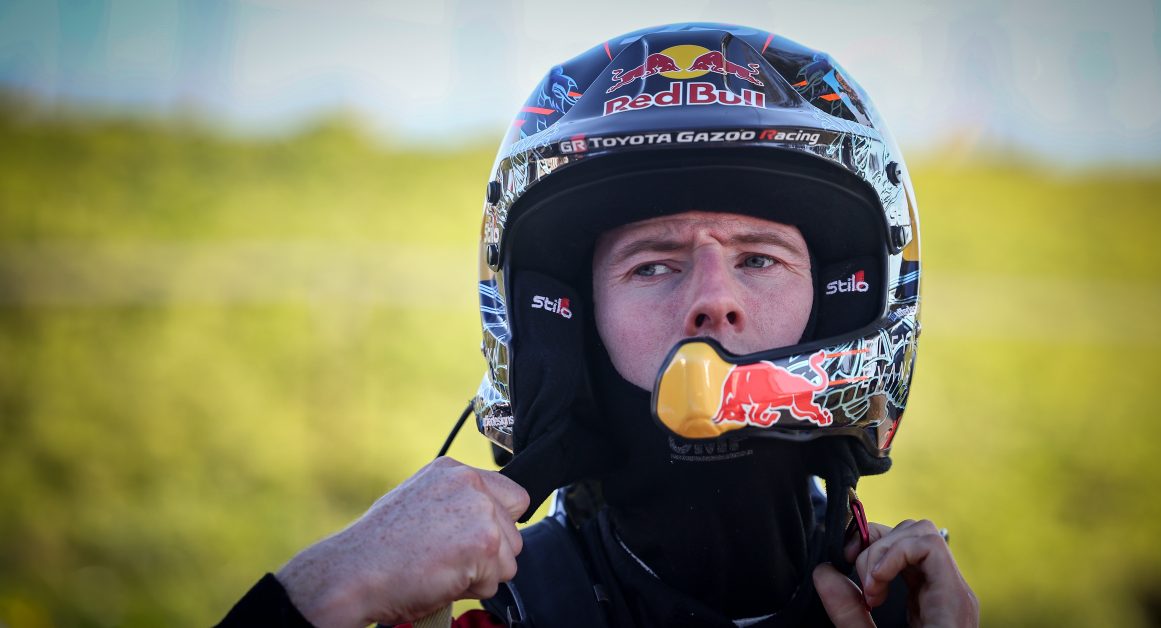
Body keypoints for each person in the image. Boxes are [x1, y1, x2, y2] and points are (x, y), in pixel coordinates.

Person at [220, 23, 978, 627]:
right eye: (652, 266)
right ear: (572, 328)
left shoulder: (910, 609)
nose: (713, 301)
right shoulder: (485, 614)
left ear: (845, 303)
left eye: (759, 258)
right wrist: (329, 586)